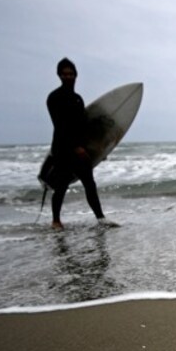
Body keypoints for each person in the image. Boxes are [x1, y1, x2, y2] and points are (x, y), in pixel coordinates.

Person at [46, 58, 118, 230]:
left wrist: (99, 149)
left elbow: (83, 128)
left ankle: (101, 219)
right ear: (59, 75)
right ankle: (56, 221)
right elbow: (60, 126)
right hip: (63, 149)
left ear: (76, 75)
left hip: (81, 149)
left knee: (90, 185)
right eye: (64, 74)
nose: (68, 77)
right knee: (61, 186)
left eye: (71, 74)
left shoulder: (78, 99)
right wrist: (75, 147)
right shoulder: (54, 98)